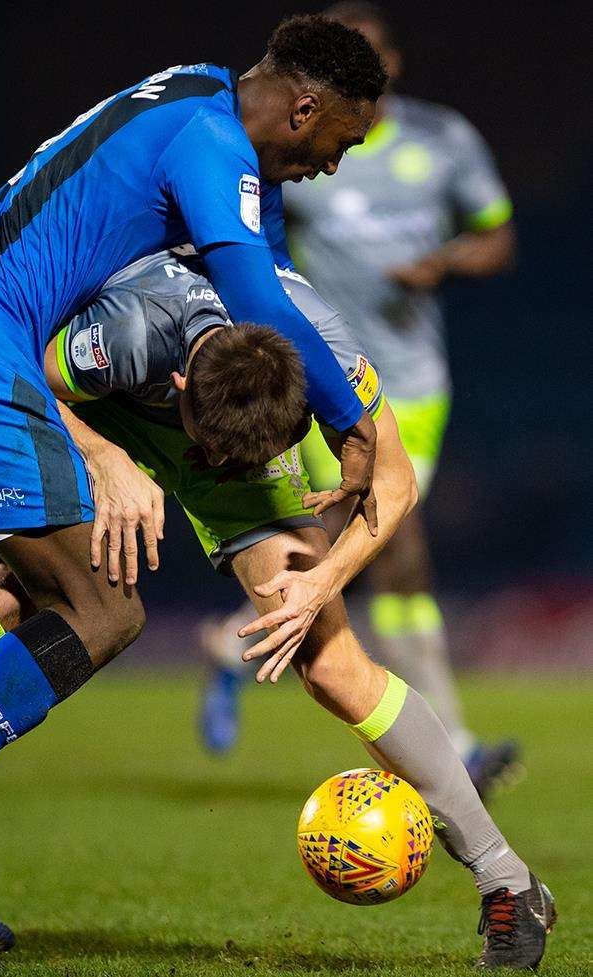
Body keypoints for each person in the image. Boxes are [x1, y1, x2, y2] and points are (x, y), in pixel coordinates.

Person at [0, 250, 553, 969]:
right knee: (16, 591)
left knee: (330, 660)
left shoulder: (323, 353)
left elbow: (395, 485)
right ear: (179, 384)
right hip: (86, 410)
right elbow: (31, 374)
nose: (207, 466)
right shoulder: (129, 330)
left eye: (230, 457)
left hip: (229, 418)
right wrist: (109, 461)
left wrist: (323, 579)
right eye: (208, 449)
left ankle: (508, 884)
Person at [200, 2, 521, 798]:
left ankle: (231, 638)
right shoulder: (295, 147)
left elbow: (497, 234)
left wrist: (446, 260)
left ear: (388, 68)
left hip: (412, 382)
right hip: (325, 380)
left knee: (362, 535)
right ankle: (451, 740)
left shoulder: (442, 140)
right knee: (389, 541)